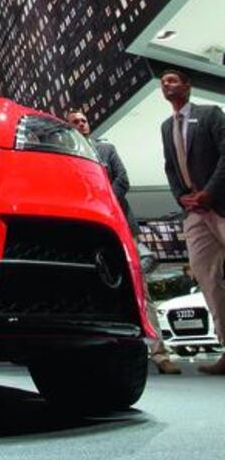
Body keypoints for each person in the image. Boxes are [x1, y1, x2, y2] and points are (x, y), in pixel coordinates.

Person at [67, 108, 181, 375]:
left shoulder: (106, 150)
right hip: (85, 229)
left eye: (84, 120)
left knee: (140, 288)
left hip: (119, 224)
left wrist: (104, 203)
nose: (82, 124)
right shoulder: (66, 154)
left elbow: (123, 179)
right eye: (75, 122)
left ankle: (159, 353)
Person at [159, 69, 225, 375]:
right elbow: (171, 167)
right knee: (208, 279)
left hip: (220, 203)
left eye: (172, 80)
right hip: (194, 214)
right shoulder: (165, 127)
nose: (166, 85)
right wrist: (181, 197)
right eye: (163, 82)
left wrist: (209, 192)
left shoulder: (210, 114)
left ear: (187, 85)